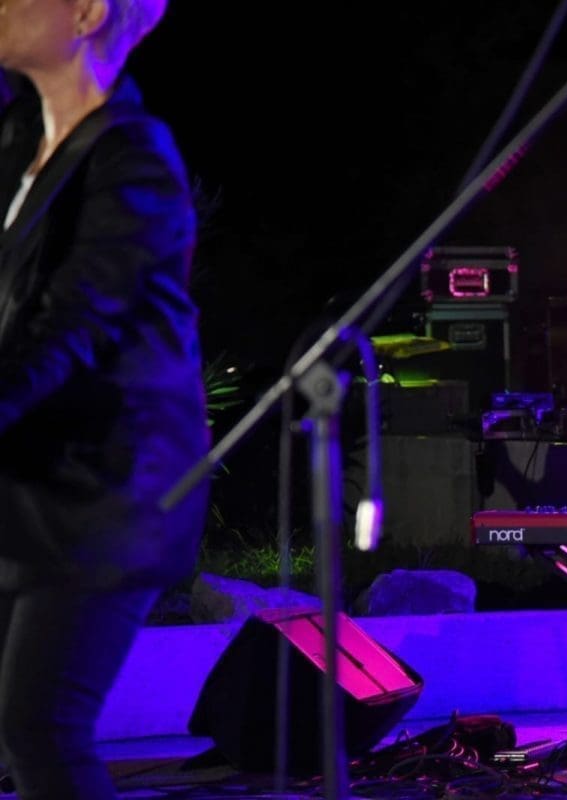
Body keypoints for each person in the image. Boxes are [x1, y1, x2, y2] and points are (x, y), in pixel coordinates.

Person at [0, 2, 208, 798]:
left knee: (42, 727)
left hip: (104, 499)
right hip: (32, 484)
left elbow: (70, 330)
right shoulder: (21, 142)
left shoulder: (132, 158)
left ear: (86, 12)